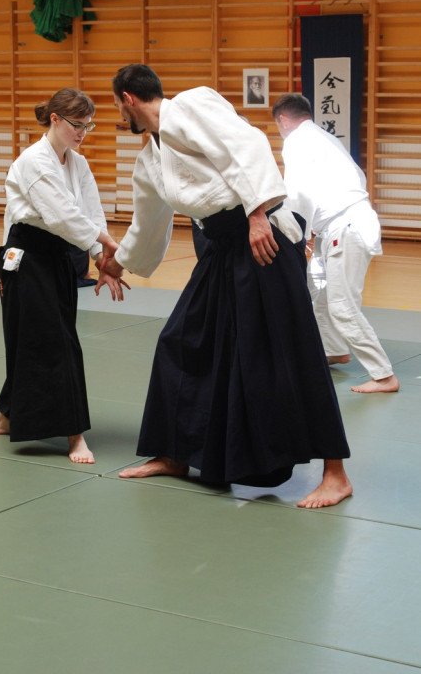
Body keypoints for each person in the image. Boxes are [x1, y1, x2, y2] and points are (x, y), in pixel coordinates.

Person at [98, 64, 353, 509]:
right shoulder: (150, 159)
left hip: (263, 237)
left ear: (128, 99)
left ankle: (336, 473)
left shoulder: (192, 104)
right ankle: (174, 454)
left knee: (289, 347)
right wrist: (114, 265)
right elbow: (147, 225)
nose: (120, 115)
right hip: (221, 248)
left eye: (118, 106)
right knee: (181, 340)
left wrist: (257, 213)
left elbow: (247, 144)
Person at [0, 88, 127, 463]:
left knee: (42, 335)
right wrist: (108, 245)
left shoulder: (77, 163)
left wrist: (101, 258)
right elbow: (62, 216)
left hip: (59, 254)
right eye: (76, 125)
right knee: (56, 341)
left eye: (88, 126)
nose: (82, 132)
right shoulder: (34, 161)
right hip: (26, 255)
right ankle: (74, 434)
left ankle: (6, 415)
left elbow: (91, 212)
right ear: (55, 119)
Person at [273, 93, 399, 395]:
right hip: (339, 225)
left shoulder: (296, 140)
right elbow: (356, 178)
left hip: (346, 226)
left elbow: (298, 193)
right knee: (319, 291)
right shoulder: (325, 138)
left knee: (341, 304)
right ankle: (334, 350)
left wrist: (296, 234)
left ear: (283, 120)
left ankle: (383, 376)